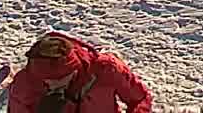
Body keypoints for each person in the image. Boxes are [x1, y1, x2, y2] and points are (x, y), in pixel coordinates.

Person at [15, 32, 153, 112]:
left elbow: (140, 98)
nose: (51, 84)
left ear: (74, 69)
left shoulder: (105, 69)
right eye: (44, 79)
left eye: (59, 79)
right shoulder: (24, 84)